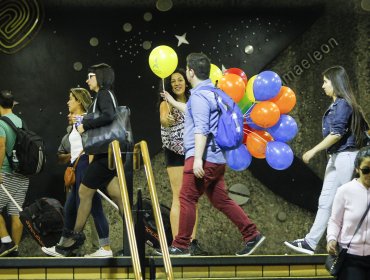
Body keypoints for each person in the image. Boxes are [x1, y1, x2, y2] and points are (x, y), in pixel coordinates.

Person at [162, 53, 265, 256]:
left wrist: (198, 159)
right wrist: (173, 103)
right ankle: (252, 234)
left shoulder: (199, 96)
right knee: (221, 200)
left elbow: (201, 128)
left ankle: (181, 245)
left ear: (190, 72)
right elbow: (194, 111)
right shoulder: (213, 92)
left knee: (187, 197)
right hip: (217, 159)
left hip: (203, 157)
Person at [284, 66, 369, 255]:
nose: (323, 86)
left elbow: (336, 134)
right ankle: (310, 242)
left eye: (325, 82)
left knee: (350, 203)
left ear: (335, 83)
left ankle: (353, 245)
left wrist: (313, 151)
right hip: (337, 157)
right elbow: (366, 130)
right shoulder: (342, 104)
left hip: (346, 157)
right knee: (326, 202)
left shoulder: (343, 104)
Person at [56, 63, 125, 256]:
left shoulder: (104, 93)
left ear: (100, 77)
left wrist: (85, 124)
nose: (87, 80)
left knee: (84, 192)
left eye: (91, 76)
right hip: (107, 153)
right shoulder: (103, 95)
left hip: (105, 153)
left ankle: (73, 239)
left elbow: (109, 115)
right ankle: (136, 235)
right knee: (119, 197)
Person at [42, 88, 113, 258]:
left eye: (70, 99)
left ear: (79, 101)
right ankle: (63, 246)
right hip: (76, 165)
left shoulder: (86, 120)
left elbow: (93, 143)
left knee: (95, 207)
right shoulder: (75, 123)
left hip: (84, 165)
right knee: (70, 208)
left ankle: (105, 247)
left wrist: (90, 166)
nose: (68, 102)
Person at [159, 68, 206, 256]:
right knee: (179, 197)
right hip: (176, 153)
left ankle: (191, 241)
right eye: (173, 81)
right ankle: (178, 242)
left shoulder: (194, 101)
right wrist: (167, 120)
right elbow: (164, 119)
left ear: (186, 82)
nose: (177, 83)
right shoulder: (166, 103)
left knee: (193, 199)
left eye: (180, 80)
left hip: (194, 153)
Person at [327, 146, 370, 279]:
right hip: (350, 259)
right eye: (366, 170)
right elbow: (335, 221)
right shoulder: (345, 191)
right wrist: (332, 239)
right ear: (357, 169)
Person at [0, 90, 29, 257]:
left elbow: (1, 147)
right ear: (12, 104)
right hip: (22, 175)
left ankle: (6, 242)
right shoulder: (21, 122)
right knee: (16, 213)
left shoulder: (1, 123)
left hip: (6, 174)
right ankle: (15, 251)